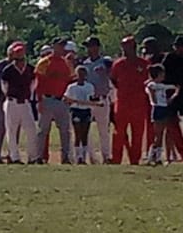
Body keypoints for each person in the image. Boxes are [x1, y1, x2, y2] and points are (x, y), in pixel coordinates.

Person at [110, 36, 150, 165]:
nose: (124, 49)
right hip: (122, 103)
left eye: (126, 46)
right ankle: (116, 159)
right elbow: (114, 80)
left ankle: (135, 159)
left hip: (139, 104)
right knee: (119, 133)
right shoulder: (118, 64)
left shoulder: (144, 64)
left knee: (137, 133)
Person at [34, 38, 73, 164]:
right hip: (47, 99)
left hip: (61, 100)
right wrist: (39, 100)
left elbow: (70, 80)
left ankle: (65, 157)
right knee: (43, 130)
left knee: (65, 131)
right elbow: (38, 83)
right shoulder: (44, 62)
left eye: (63, 45)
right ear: (53, 46)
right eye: (59, 45)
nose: (62, 48)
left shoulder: (66, 63)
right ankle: (39, 156)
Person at [1, 41, 38, 164]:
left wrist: (29, 96)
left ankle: (32, 157)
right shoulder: (8, 70)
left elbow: (33, 84)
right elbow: (4, 86)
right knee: (11, 130)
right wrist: (10, 95)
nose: (19, 56)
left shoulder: (30, 69)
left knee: (31, 129)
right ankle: (14, 157)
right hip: (12, 102)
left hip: (25, 102)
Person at [81, 36, 114, 164]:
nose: (89, 49)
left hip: (102, 99)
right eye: (88, 47)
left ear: (97, 47)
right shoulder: (85, 63)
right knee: (86, 130)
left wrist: (106, 72)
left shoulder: (105, 62)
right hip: (89, 100)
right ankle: (92, 157)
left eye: (91, 46)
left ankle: (106, 156)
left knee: (103, 129)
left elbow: (113, 74)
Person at [63, 65, 98, 164]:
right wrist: (70, 101)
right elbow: (66, 99)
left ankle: (83, 157)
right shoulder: (71, 87)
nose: (81, 76)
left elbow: (91, 99)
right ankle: (78, 157)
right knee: (78, 133)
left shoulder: (89, 86)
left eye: (83, 74)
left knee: (85, 134)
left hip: (86, 111)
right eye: (79, 74)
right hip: (76, 110)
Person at [145, 63, 177, 165]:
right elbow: (151, 88)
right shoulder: (152, 85)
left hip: (164, 109)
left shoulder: (162, 86)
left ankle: (158, 157)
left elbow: (170, 87)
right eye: (162, 74)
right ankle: (151, 157)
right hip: (157, 109)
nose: (164, 76)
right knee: (157, 135)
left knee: (161, 134)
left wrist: (175, 91)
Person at [161, 35, 183, 161]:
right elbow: (162, 74)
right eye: (178, 47)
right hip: (171, 93)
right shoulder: (170, 58)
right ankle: (174, 154)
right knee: (171, 125)